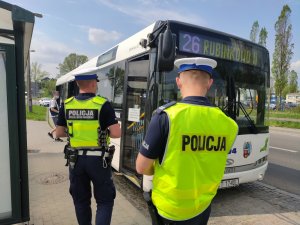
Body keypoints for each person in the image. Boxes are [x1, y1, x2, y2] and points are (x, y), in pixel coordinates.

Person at [136, 57, 238, 225]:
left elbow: (141, 166)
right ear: (210, 83)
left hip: (169, 210)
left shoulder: (166, 117)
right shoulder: (229, 124)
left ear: (178, 82)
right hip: (202, 206)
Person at [56, 67, 121, 225]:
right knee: (104, 201)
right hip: (99, 161)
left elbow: (59, 133)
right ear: (93, 84)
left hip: (75, 161)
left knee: (81, 202)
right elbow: (116, 133)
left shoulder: (67, 105)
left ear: (78, 84)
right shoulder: (102, 104)